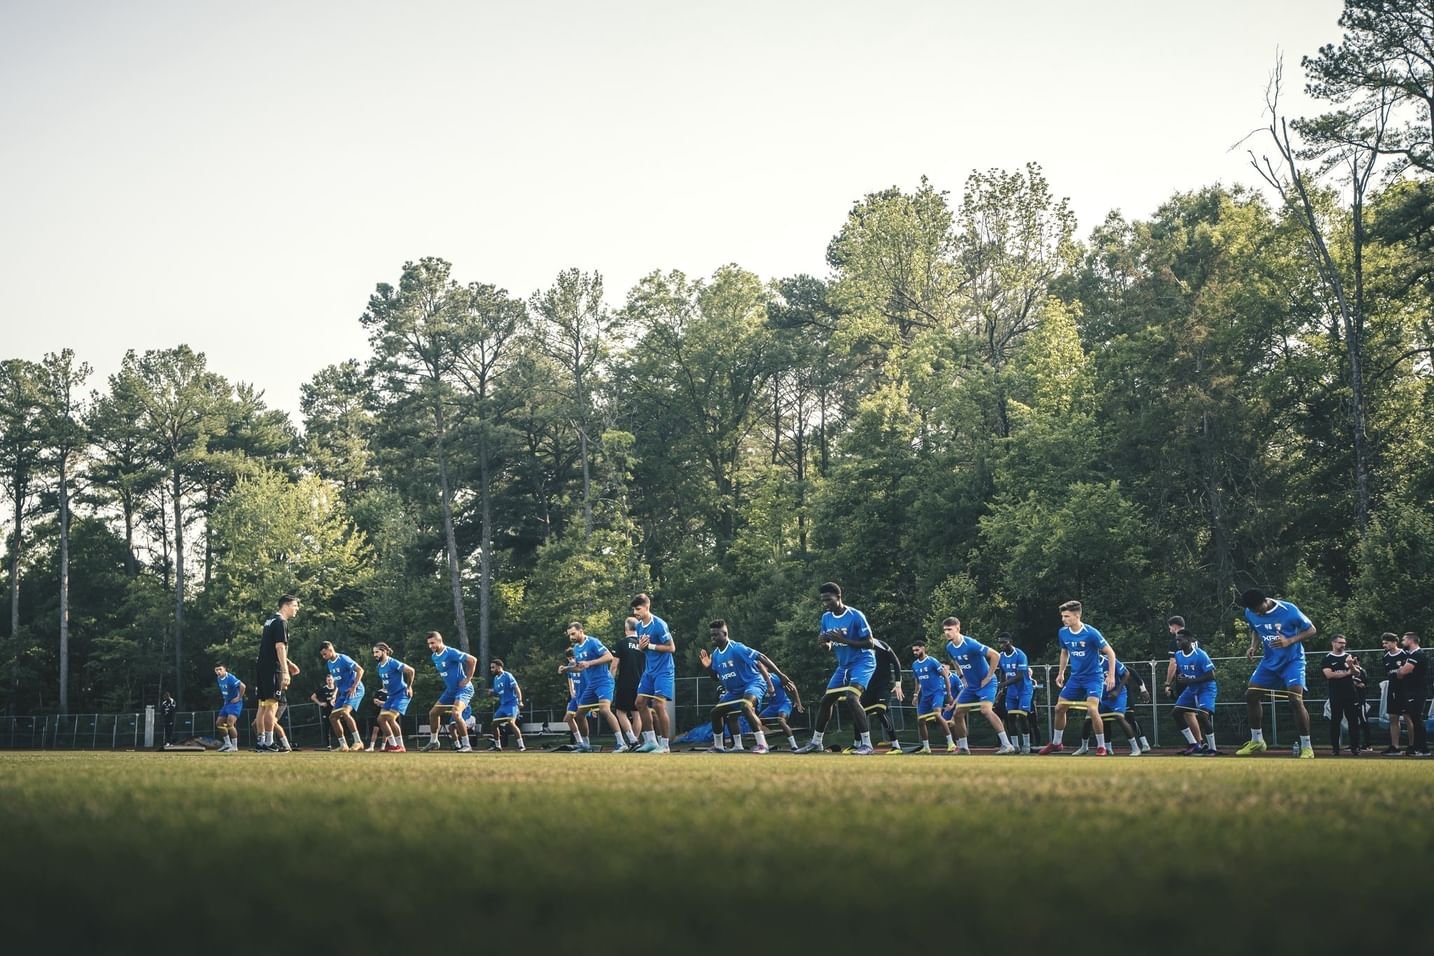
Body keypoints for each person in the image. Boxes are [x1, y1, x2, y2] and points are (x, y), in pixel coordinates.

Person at [795, 582, 877, 755]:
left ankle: (867, 744)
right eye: (823, 601)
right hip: (843, 665)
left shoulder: (855, 615)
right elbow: (829, 646)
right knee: (826, 700)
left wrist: (845, 639)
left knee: (851, 697)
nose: (825, 604)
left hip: (863, 661)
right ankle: (816, 743)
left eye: (828, 600)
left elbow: (870, 643)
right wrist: (824, 644)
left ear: (839, 597)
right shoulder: (826, 618)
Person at [1234, 589, 1316, 759]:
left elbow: (1311, 630)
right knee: (1251, 695)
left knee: (1295, 699)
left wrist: (1289, 640)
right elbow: (1255, 629)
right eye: (1254, 610)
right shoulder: (1250, 611)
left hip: (1292, 661)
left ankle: (1307, 746)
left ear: (1265, 600)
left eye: (1259, 608)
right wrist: (1253, 646)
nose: (1257, 612)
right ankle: (1257, 740)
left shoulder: (1289, 610)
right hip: (1269, 662)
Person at [699, 620, 794, 754]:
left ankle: (762, 745)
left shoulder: (737, 648)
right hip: (734, 691)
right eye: (711, 635)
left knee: (746, 705)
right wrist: (708, 667)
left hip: (753, 684)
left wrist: (781, 675)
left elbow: (761, 657)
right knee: (715, 712)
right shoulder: (715, 655)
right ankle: (719, 746)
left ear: (724, 633)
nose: (713, 638)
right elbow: (715, 678)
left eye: (716, 635)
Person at [1039, 600, 1118, 755]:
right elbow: (1064, 652)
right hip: (1075, 678)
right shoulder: (1063, 632)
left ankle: (1101, 746)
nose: (1063, 619)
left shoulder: (1091, 633)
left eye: (1067, 616)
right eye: (1062, 616)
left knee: (1092, 709)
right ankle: (1056, 743)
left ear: (1077, 616)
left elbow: (1110, 652)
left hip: (1093, 678)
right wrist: (1061, 673)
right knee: (1059, 708)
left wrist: (1111, 676)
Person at [942, 617, 1017, 755]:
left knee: (985, 710)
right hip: (970, 686)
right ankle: (964, 748)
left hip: (986, 684)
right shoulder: (949, 647)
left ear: (958, 628)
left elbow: (995, 655)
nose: (947, 632)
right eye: (945, 630)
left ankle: (1007, 745)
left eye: (950, 629)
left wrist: (988, 676)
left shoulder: (970, 644)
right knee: (957, 714)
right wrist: (961, 677)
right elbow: (955, 662)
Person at [564, 621, 630, 752]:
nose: (571, 637)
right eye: (569, 635)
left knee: (605, 710)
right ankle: (586, 745)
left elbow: (609, 656)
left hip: (603, 681)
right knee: (579, 715)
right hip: (591, 685)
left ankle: (622, 743)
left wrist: (590, 663)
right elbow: (580, 668)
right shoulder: (576, 648)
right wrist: (567, 669)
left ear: (581, 631)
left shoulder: (593, 642)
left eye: (573, 634)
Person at [1074, 659, 1148, 756]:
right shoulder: (1087, 664)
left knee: (1119, 717)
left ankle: (1135, 748)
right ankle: (1084, 747)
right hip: (1100, 696)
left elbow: (1127, 673)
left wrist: (1117, 691)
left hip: (1117, 695)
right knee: (1088, 719)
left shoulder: (1109, 660)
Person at [631, 594, 675, 753]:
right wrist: (642, 648)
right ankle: (650, 742)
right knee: (639, 702)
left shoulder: (659, 625)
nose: (635, 612)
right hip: (649, 671)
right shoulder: (638, 626)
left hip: (664, 671)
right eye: (634, 609)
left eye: (638, 609)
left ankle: (665, 745)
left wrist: (649, 647)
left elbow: (671, 648)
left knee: (658, 705)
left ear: (647, 607)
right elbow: (642, 648)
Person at [254, 595, 298, 752]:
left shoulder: (270, 620)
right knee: (273, 704)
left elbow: (269, 646)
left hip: (262, 666)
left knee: (263, 705)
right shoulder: (281, 622)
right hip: (272, 668)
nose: (296, 609)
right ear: (285, 606)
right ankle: (269, 743)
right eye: (294, 605)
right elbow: (279, 647)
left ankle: (261, 742)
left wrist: (288, 662)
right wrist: (285, 672)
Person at [422, 631, 477, 752]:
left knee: (456, 713)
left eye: (433, 643)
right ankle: (434, 741)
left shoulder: (450, 652)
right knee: (433, 713)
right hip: (450, 691)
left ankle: (467, 745)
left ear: (439, 640)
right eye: (429, 644)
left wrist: (468, 678)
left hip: (464, 689)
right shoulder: (434, 656)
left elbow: (472, 660)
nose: (430, 646)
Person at [1167, 629, 1218, 755]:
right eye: (1177, 640)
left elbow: (1211, 676)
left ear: (1189, 640)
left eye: (1180, 640)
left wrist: (1191, 680)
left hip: (1206, 688)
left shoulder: (1200, 655)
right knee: (1176, 712)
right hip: (1191, 688)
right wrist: (1178, 680)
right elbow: (1182, 672)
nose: (1178, 642)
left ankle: (1212, 748)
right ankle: (1194, 744)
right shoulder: (1178, 655)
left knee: (1203, 715)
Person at [858, 637, 906, 753]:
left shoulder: (881, 645)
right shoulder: (857, 647)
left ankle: (896, 746)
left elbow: (896, 663)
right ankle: (857, 745)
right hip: (868, 688)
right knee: (858, 712)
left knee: (880, 711)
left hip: (884, 686)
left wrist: (898, 683)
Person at [909, 639, 956, 754]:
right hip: (925, 696)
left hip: (937, 693)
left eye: (917, 649)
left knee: (937, 714)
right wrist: (915, 695)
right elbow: (917, 681)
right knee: (920, 720)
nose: (915, 652)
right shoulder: (915, 665)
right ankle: (926, 747)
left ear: (923, 649)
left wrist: (949, 694)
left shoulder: (932, 661)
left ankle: (951, 743)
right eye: (913, 650)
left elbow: (945, 676)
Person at [1321, 634, 1364, 755]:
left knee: (1353, 721)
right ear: (1333, 643)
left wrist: (1350, 665)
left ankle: (1355, 747)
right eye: (1340, 642)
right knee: (1335, 721)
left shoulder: (1350, 657)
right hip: (1336, 694)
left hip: (1350, 693)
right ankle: (1335, 748)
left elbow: (1357, 673)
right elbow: (1329, 675)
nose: (1342, 645)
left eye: (1344, 643)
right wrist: (1347, 673)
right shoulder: (1327, 659)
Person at [320, 641, 366, 752]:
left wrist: (354, 686)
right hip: (343, 693)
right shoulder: (330, 664)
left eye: (325, 654)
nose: (323, 656)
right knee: (333, 717)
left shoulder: (343, 659)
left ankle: (358, 741)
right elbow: (337, 680)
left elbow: (360, 670)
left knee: (345, 712)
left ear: (330, 649)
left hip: (355, 689)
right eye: (322, 654)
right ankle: (343, 745)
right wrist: (335, 694)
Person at [756, 656, 805, 751]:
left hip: (784, 704)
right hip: (772, 707)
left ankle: (794, 746)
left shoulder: (776, 678)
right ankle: (764, 745)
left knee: (780, 720)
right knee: (757, 721)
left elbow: (792, 687)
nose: (759, 669)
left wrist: (798, 702)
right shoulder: (757, 681)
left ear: (766, 668)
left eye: (761, 667)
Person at [372, 642, 414, 753]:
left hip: (402, 693)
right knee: (380, 719)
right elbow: (385, 681)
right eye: (374, 652)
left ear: (384, 651)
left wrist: (409, 687)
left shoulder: (393, 662)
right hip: (392, 696)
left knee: (390, 718)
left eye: (377, 652)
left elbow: (411, 671)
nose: (374, 655)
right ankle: (393, 745)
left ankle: (401, 746)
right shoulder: (379, 666)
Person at [995, 633, 1034, 754]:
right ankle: (1015, 746)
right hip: (1011, 690)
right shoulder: (1000, 656)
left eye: (1004, 642)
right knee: (1010, 718)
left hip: (1024, 690)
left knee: (1022, 717)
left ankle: (1026, 745)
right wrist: (1001, 688)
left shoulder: (1020, 655)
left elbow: (1020, 676)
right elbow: (1002, 672)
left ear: (1010, 641)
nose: (1002, 645)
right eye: (1000, 642)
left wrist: (1003, 684)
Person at [610, 617, 644, 749]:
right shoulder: (643, 643)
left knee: (620, 712)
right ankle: (633, 743)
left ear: (626, 629)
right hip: (642, 683)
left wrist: (610, 681)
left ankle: (632, 740)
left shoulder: (622, 643)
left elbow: (614, 665)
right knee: (637, 713)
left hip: (625, 682)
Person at [1395, 632, 1429, 756]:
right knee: (1415, 719)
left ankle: (1422, 748)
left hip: (1417, 691)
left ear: (1410, 640)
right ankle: (1419, 747)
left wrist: (1400, 670)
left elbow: (1403, 672)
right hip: (1412, 691)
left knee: (1417, 719)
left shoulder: (1417, 654)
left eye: (1404, 640)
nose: (1402, 643)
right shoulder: (1412, 655)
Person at [1380, 633, 1411, 754]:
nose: (1385, 645)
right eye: (1383, 643)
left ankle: (1412, 745)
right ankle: (1395, 746)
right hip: (1392, 689)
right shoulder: (1385, 657)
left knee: (1408, 717)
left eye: (1387, 642)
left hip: (1405, 689)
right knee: (1393, 717)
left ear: (1394, 642)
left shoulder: (1405, 654)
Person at [488, 659, 526, 752]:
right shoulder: (495, 679)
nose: (491, 669)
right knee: (493, 724)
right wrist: (492, 692)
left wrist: (520, 701)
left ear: (499, 667)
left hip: (512, 704)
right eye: (491, 668)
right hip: (503, 706)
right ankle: (498, 746)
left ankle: (521, 746)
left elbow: (516, 688)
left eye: (493, 667)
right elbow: (498, 691)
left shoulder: (508, 675)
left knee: (511, 722)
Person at [213, 665, 245, 753]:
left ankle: (234, 746)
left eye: (220, 669)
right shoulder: (218, 678)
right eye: (216, 670)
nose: (218, 671)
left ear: (225, 670)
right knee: (219, 723)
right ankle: (227, 743)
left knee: (230, 723)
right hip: (227, 704)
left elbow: (243, 686)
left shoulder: (230, 678)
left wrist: (238, 697)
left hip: (235, 703)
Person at [310, 675, 337, 749]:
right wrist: (320, 703)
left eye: (331, 680)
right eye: (328, 680)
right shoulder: (323, 689)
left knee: (337, 726)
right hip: (326, 711)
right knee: (327, 727)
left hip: (336, 710)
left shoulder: (337, 688)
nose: (329, 681)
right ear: (326, 681)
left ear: (333, 680)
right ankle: (328, 745)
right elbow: (313, 697)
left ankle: (341, 743)